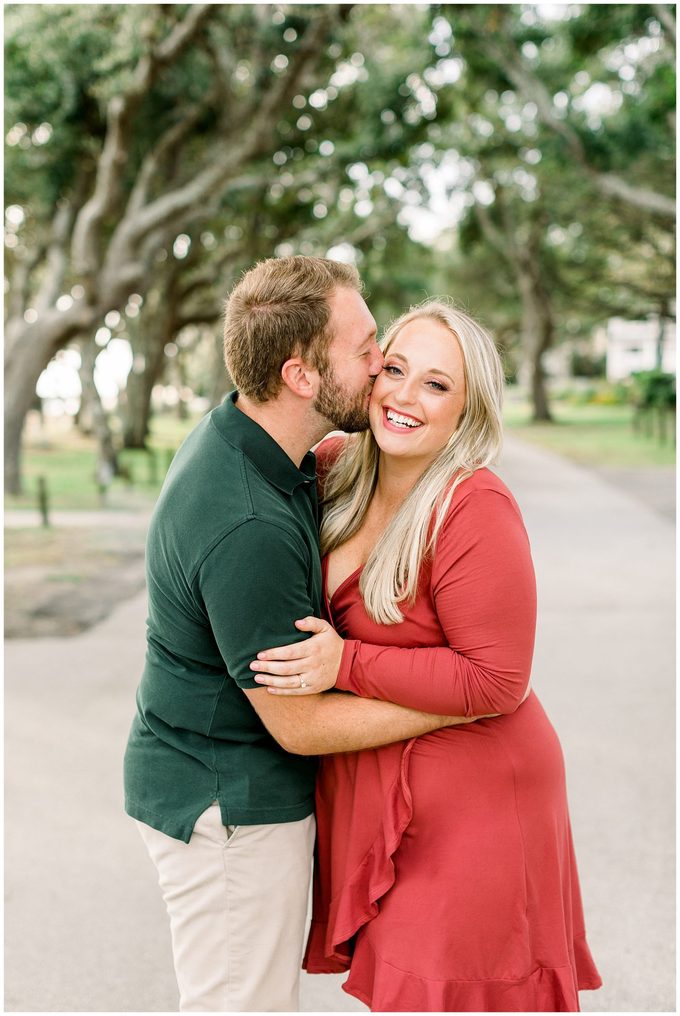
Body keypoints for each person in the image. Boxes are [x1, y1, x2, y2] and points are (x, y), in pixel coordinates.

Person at [123, 258, 483, 1013]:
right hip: (228, 811)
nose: (381, 364)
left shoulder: (254, 439)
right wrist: (460, 703)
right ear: (301, 376)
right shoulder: (246, 523)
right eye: (365, 349)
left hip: (219, 788)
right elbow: (299, 723)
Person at [250, 300, 602, 1012]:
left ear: (468, 410)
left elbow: (498, 678)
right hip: (382, 794)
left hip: (479, 809)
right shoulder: (337, 469)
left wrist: (343, 665)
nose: (405, 396)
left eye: (437, 385)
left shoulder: (474, 505)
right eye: (397, 369)